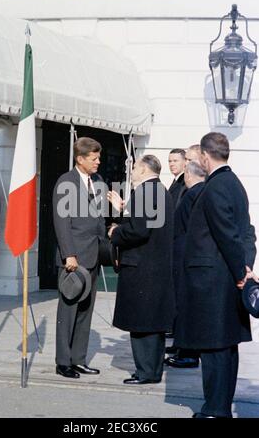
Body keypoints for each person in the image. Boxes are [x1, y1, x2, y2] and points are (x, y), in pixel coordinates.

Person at [174, 132, 257, 418]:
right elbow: (246, 233)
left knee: (214, 348)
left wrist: (240, 273)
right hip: (225, 277)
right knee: (224, 347)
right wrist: (246, 266)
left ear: (205, 157)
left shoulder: (217, 186)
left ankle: (215, 409)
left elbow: (227, 235)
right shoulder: (234, 184)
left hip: (215, 281)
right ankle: (218, 406)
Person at [108, 155, 176, 385]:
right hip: (155, 266)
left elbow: (138, 231)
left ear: (145, 170)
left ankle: (146, 371)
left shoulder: (144, 192)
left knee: (141, 323)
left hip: (141, 267)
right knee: (152, 324)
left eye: (135, 167)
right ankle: (151, 370)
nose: (132, 171)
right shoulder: (162, 191)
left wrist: (115, 233)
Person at [53, 137, 105, 379]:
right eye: (94, 158)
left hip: (93, 256)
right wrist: (69, 255)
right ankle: (63, 362)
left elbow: (99, 218)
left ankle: (79, 359)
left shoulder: (99, 181)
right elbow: (62, 223)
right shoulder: (66, 182)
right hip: (74, 259)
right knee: (69, 311)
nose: (98, 162)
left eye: (98, 157)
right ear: (80, 159)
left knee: (86, 310)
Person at [164, 161, 206, 368]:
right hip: (186, 255)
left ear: (189, 175)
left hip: (184, 256)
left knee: (185, 305)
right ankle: (183, 347)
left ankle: (187, 353)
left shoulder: (193, 193)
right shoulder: (199, 192)